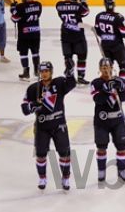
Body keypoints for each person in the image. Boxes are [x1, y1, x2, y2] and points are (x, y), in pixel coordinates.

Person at [21, 61, 76, 190]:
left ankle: (66, 177)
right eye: (42, 71)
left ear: (51, 72)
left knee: (64, 153)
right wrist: (31, 106)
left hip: (59, 125)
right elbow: (24, 108)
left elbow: (71, 84)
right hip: (42, 127)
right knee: (40, 154)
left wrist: (70, 71)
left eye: (47, 71)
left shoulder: (59, 83)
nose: (44, 74)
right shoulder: (33, 88)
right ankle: (42, 177)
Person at [90, 58, 125, 182]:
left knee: (122, 146)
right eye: (103, 68)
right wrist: (106, 89)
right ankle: (101, 170)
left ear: (112, 68)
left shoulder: (118, 81)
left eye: (107, 67)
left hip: (117, 120)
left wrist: (122, 88)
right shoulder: (95, 83)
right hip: (102, 121)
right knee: (101, 147)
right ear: (99, 69)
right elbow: (97, 99)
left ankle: (122, 170)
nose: (105, 70)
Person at [94, 0, 125, 84]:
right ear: (114, 5)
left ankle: (108, 88)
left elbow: (97, 31)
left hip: (105, 46)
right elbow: (124, 32)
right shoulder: (118, 17)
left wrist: (105, 36)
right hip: (117, 47)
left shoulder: (99, 16)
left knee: (108, 67)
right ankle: (122, 89)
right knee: (123, 67)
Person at [56, 0, 90, 85]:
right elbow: (85, 12)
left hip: (65, 35)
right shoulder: (77, 5)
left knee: (68, 58)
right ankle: (80, 77)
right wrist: (82, 1)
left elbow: (66, 8)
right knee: (82, 56)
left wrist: (74, 2)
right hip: (78, 35)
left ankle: (69, 76)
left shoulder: (58, 5)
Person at [11, 0, 43, 80]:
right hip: (35, 33)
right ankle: (37, 71)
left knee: (23, 53)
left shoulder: (20, 6)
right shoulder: (38, 5)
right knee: (35, 52)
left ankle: (26, 72)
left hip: (24, 34)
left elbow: (14, 18)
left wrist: (14, 9)